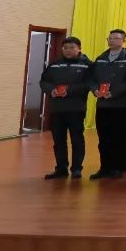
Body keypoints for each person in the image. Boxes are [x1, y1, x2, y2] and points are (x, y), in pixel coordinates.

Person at [38, 37, 92, 180]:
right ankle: (61, 169)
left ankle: (76, 169)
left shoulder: (86, 65)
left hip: (76, 108)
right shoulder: (54, 64)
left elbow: (89, 84)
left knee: (77, 139)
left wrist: (69, 90)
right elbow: (44, 81)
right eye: (66, 48)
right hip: (57, 109)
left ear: (79, 49)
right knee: (59, 141)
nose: (68, 50)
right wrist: (51, 90)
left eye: (72, 47)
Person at [88, 29, 126, 180]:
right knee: (103, 139)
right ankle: (104, 168)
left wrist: (114, 93)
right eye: (110, 38)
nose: (112, 41)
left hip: (121, 105)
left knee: (119, 138)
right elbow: (91, 79)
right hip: (103, 105)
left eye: (116, 38)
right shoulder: (100, 58)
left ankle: (117, 168)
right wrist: (95, 90)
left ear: (124, 41)